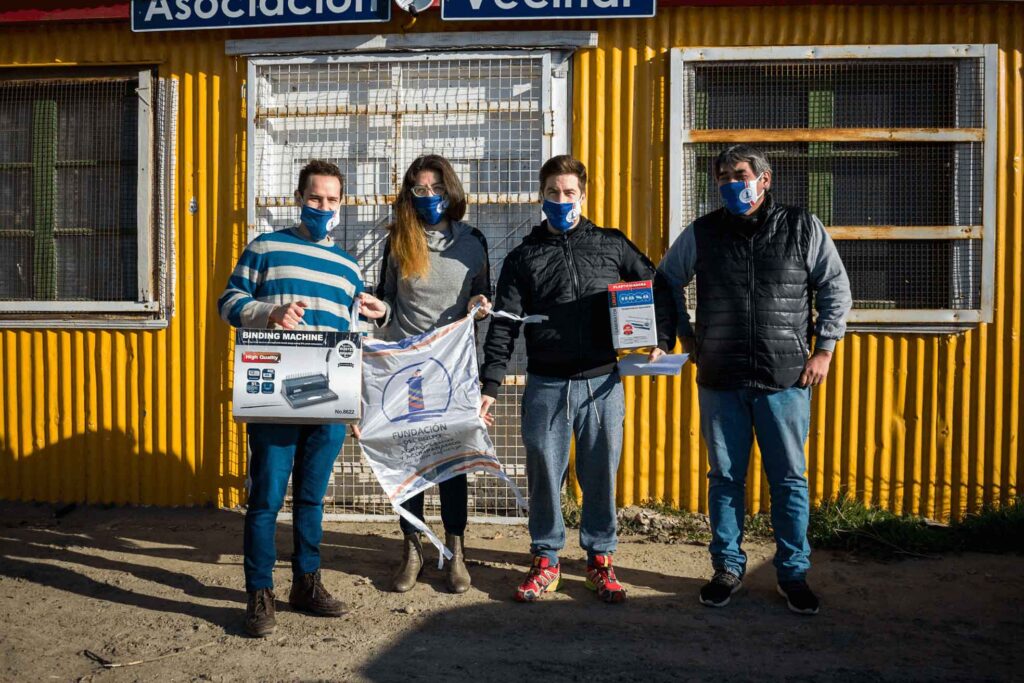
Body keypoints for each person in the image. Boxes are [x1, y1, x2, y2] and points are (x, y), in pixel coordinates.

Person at [658, 144, 852, 616]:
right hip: (721, 377)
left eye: (739, 174)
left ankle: (792, 574)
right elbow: (666, 280)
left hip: (784, 378)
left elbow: (834, 286)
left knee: (788, 479)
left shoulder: (802, 227)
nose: (730, 183)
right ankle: (727, 568)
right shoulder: (703, 232)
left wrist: (825, 348)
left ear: (764, 179)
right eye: (722, 176)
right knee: (725, 478)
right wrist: (685, 334)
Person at [479, 154, 675, 604]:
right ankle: (546, 558)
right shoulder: (523, 257)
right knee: (544, 473)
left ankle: (600, 559)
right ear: (541, 195)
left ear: (583, 196)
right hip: (546, 384)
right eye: (553, 192)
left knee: (600, 472)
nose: (561, 200)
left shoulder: (611, 244)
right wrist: (490, 385)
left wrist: (660, 338)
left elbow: (657, 287)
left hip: (602, 384)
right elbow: (504, 323)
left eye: (569, 192)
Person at [218, 159, 368, 638]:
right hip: (276, 395)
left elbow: (356, 335)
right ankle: (259, 592)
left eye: (331, 200)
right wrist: (269, 311)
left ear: (342, 204)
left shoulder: (349, 268)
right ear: (298, 198)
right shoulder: (266, 247)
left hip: (329, 400)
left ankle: (307, 582)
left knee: (311, 497)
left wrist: (356, 399)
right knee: (265, 498)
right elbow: (229, 302)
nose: (323, 206)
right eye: (315, 197)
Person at [357, 154, 492, 595]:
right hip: (408, 371)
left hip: (452, 370)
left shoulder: (473, 241)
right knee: (410, 458)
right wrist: (378, 309)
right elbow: (388, 301)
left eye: (436, 188)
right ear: (409, 194)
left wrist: (480, 305)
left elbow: (482, 293)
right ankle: (412, 548)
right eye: (420, 189)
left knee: (453, 461)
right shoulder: (399, 240)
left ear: (450, 191)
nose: (429, 196)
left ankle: (455, 550)